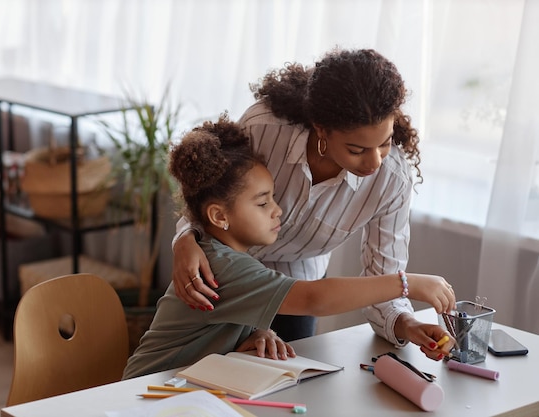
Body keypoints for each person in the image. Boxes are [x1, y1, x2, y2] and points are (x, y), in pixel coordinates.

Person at [122, 116, 455, 379]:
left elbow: (213, 329)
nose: (278, 210)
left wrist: (248, 335)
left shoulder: (229, 256)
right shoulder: (226, 266)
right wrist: (408, 282)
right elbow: (315, 297)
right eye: (263, 202)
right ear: (219, 216)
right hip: (143, 393)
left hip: (181, 387)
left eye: (275, 198)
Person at [171, 48, 452, 357]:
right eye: (357, 149)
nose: (374, 162)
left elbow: (379, 282)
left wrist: (408, 324)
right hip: (221, 282)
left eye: (384, 143)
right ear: (321, 129)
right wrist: (186, 238)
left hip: (295, 287)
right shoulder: (263, 131)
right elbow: (210, 194)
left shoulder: (392, 179)